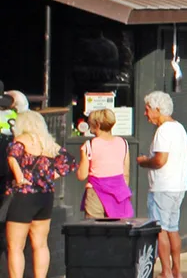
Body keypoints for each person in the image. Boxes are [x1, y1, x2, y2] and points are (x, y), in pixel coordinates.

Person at [6, 110, 76, 278]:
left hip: (24, 195)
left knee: (15, 246)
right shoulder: (48, 143)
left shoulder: (20, 141)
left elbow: (12, 158)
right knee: (41, 244)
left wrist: (20, 177)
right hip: (45, 196)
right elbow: (70, 162)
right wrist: (51, 177)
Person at [138, 91, 187, 278]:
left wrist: (144, 161)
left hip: (162, 186)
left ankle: (166, 271)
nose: (145, 114)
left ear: (157, 109)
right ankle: (177, 270)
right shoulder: (179, 128)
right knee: (173, 228)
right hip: (178, 185)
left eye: (147, 109)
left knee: (160, 230)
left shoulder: (163, 131)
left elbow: (160, 160)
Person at [76, 108, 132, 218]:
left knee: (95, 231)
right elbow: (126, 173)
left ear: (96, 124)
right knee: (118, 230)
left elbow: (82, 175)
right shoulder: (123, 143)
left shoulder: (89, 145)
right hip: (119, 194)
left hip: (96, 193)